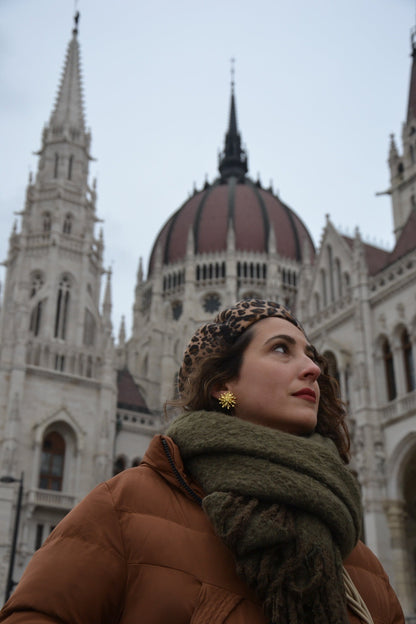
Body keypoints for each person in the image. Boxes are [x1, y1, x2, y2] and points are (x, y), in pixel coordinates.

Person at [0, 298, 404, 624]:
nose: (314, 368)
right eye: (281, 349)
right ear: (223, 385)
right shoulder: (126, 508)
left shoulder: (355, 554)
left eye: (311, 355)